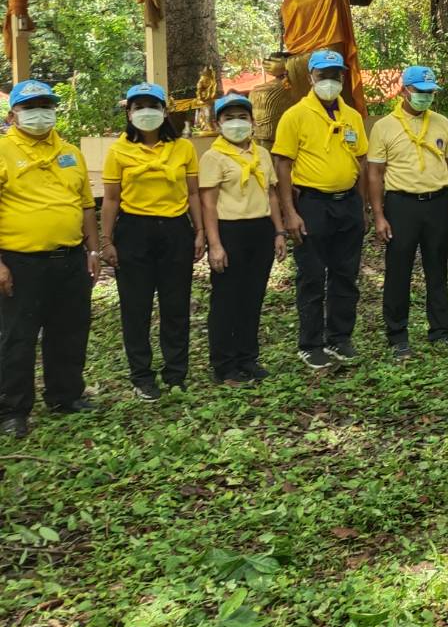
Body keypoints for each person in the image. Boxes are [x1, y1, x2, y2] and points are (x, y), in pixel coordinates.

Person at [0, 81, 100, 436]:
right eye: (30, 107)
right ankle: (13, 410)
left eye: (45, 104)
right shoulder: (2, 150)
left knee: (70, 330)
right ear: (13, 114)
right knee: (17, 336)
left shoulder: (70, 151)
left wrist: (92, 249)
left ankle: (66, 395)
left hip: (71, 258)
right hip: (20, 261)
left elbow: (86, 205)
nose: (40, 112)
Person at [100, 82, 204, 400]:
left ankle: (176, 373)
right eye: (138, 107)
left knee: (175, 306)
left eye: (152, 106)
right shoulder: (118, 150)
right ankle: (142, 376)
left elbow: (193, 193)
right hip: (134, 232)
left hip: (175, 231)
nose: (146, 113)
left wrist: (199, 231)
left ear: (164, 111)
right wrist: (107, 241)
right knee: (136, 307)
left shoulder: (183, 148)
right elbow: (111, 199)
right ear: (129, 113)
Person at [273, 50, 369, 370]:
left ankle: (340, 337)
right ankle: (310, 343)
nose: (330, 81)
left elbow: (363, 160)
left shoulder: (352, 116)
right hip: (312, 205)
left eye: (336, 75)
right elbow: (282, 165)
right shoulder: (295, 116)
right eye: (323, 75)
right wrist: (290, 212)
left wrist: (363, 205)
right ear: (311, 77)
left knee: (346, 274)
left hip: (348, 204)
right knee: (312, 275)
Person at [367, 66, 448, 361]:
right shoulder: (384, 126)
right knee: (399, 270)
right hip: (401, 205)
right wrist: (379, 214)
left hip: (437, 203)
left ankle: (440, 331)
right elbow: (375, 173)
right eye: (420, 92)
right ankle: (398, 336)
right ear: (405, 91)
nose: (425, 98)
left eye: (430, 93)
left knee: (437, 269)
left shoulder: (441, 123)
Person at [199, 94, 286, 384]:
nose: (237, 123)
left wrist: (278, 231)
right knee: (226, 300)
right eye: (229, 118)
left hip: (259, 230)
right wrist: (215, 244)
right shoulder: (213, 157)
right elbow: (208, 204)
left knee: (253, 297)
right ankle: (224, 365)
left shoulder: (261, 153)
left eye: (242, 117)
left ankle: (248, 357)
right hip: (229, 230)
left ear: (252, 121)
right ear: (218, 123)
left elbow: (271, 193)